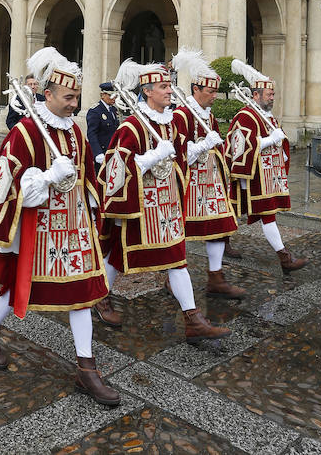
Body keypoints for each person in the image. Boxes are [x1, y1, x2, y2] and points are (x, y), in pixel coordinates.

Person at [0, 47, 119, 407]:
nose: (74, 105)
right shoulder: (24, 133)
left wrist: (91, 207)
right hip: (36, 228)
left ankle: (87, 368)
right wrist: (47, 178)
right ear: (48, 94)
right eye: (68, 97)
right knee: (15, 286)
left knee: (83, 294)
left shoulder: (74, 132)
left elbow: (86, 178)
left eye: (77, 98)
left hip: (73, 227)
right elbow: (9, 186)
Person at [97, 60, 230, 343]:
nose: (171, 90)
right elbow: (116, 167)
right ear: (147, 91)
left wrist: (201, 147)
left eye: (170, 85)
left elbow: (184, 161)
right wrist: (152, 156)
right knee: (119, 254)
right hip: (139, 205)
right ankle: (101, 298)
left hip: (167, 206)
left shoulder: (172, 124)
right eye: (164, 86)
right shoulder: (132, 126)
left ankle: (192, 319)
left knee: (176, 258)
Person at [172, 50, 244, 299]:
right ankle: (172, 277)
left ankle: (216, 277)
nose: (215, 96)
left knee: (219, 225)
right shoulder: (181, 115)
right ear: (196, 89)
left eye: (215, 92)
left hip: (211, 182)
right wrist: (204, 144)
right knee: (178, 231)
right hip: (188, 183)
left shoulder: (209, 115)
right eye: (211, 92)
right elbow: (177, 153)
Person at [226, 59, 309, 274]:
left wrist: (281, 147)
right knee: (261, 213)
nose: (273, 98)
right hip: (253, 175)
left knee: (239, 210)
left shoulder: (268, 116)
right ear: (256, 95)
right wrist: (271, 140)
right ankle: (285, 258)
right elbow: (240, 146)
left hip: (269, 175)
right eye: (269, 95)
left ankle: (222, 242)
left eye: (273, 95)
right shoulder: (245, 116)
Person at [86, 82, 120, 173]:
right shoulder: (95, 111)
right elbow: (92, 133)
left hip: (113, 152)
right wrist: (97, 153)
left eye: (115, 96)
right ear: (102, 95)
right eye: (111, 96)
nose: (114, 99)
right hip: (102, 153)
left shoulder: (113, 110)